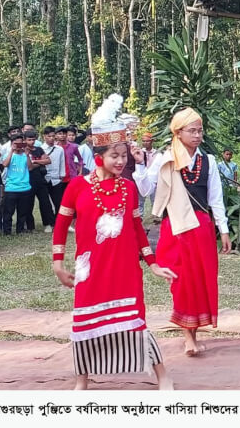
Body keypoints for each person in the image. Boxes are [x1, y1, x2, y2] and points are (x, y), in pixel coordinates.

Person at [51, 96, 177, 390]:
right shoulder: (77, 187)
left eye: (124, 156)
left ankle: (162, 375)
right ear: (99, 157)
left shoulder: (130, 188)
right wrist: (58, 263)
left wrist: (153, 263)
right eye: (115, 156)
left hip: (124, 268)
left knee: (136, 321)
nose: (121, 161)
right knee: (84, 322)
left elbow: (137, 229)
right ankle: (81, 381)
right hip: (90, 269)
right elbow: (60, 226)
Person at [133, 106, 231, 357]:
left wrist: (224, 230)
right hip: (175, 227)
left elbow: (215, 198)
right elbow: (145, 190)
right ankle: (188, 335)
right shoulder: (165, 159)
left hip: (201, 227)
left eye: (200, 130)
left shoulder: (207, 161)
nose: (197, 135)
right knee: (182, 281)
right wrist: (140, 165)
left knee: (202, 279)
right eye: (192, 130)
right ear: (178, 132)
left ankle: (194, 330)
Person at [1, 133, 36, 235]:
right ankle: (7, 231)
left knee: (22, 212)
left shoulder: (26, 155)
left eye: (21, 144)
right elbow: (5, 164)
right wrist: (12, 151)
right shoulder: (9, 154)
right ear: (12, 144)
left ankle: (20, 230)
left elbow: (30, 168)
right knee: (8, 212)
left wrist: (27, 155)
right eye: (16, 144)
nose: (18, 146)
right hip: (11, 188)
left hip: (24, 187)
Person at [24, 130, 54, 233]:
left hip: (40, 180)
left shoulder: (39, 149)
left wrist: (36, 161)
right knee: (28, 204)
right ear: (25, 140)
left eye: (33, 139)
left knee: (45, 203)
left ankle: (48, 223)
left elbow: (48, 160)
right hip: (28, 181)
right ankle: (30, 226)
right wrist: (39, 162)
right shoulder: (23, 151)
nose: (32, 142)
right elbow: (29, 167)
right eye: (29, 139)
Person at [43, 126, 67, 213]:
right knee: (46, 203)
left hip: (56, 178)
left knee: (58, 202)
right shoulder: (41, 149)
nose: (51, 138)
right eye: (49, 136)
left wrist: (62, 175)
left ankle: (58, 220)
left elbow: (62, 162)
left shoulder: (59, 149)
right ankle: (49, 222)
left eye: (53, 136)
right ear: (44, 136)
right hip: (45, 178)